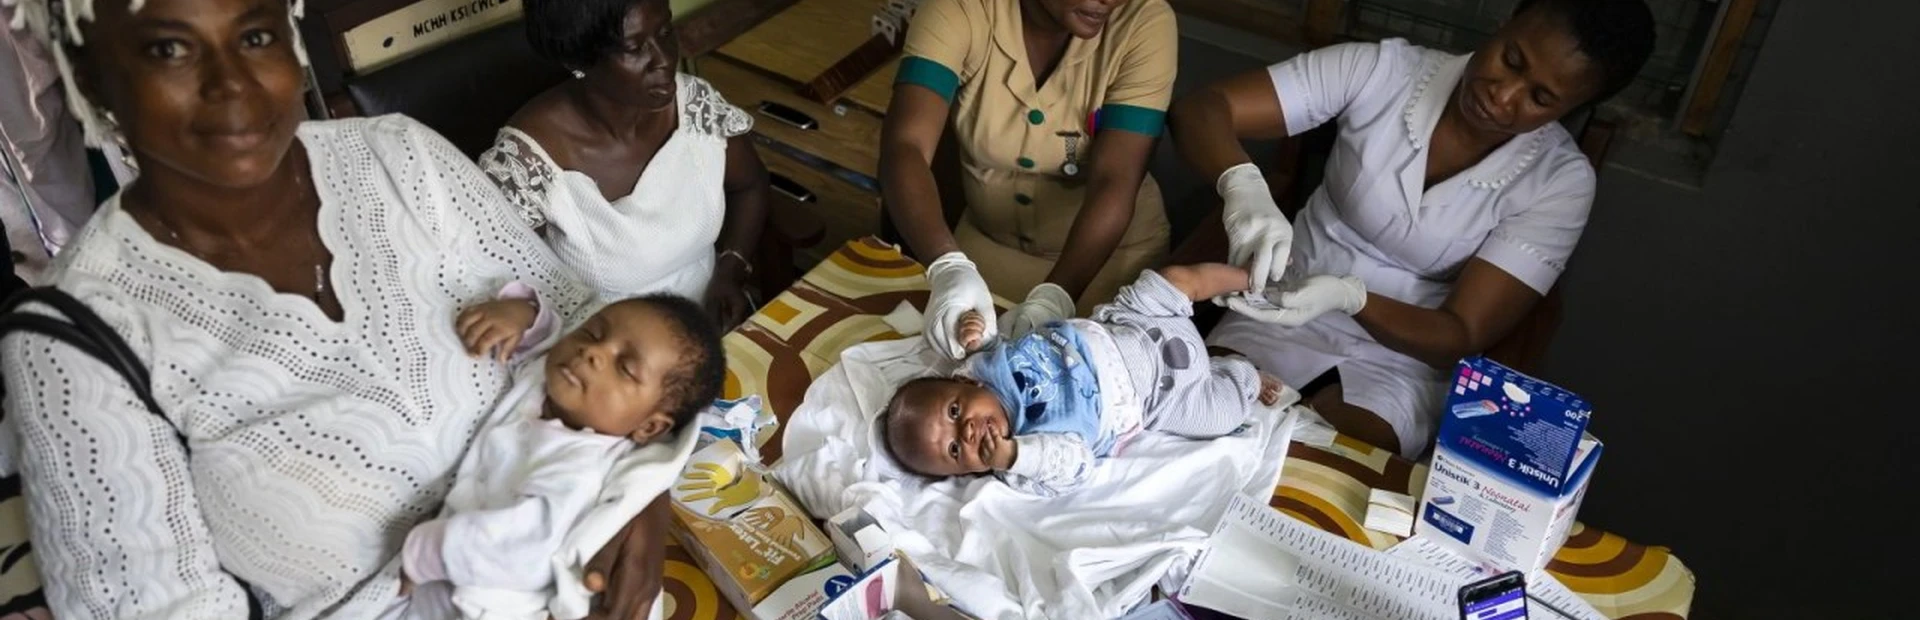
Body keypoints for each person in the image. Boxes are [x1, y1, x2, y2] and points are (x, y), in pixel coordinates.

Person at [0, 0, 676, 617]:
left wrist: (639, 492)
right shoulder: (73, 344)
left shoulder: (399, 158)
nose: (230, 83)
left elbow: (596, 321)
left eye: (256, 35)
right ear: (90, 80)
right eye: (168, 49)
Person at [1168, 0, 1655, 457]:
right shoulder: (1384, 72)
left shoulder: (1559, 181)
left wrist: (1350, 296)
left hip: (1403, 360)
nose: (1503, 97)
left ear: (1568, 110)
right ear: (1503, 25)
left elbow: (1460, 331)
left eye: (1541, 97)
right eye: (1511, 60)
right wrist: (1244, 188)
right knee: (1199, 428)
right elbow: (1204, 108)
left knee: (1327, 469)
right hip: (1277, 306)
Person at [880, 0, 1178, 359]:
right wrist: (948, 266)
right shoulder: (960, 8)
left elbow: (1114, 181)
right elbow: (906, 146)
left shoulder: (1143, 21)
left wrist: (1056, 297)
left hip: (1105, 261)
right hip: (985, 250)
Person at [402, 292, 723, 619]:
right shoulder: (554, 377)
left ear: (649, 427)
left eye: (625, 368)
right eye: (593, 332)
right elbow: (547, 333)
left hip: (476, 597)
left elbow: (525, 550)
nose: (594, 351)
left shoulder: (580, 466)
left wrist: (423, 549)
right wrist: (522, 315)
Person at [478, 0, 770, 330]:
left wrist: (730, 271)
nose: (664, 59)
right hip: (608, 354)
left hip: (712, 320)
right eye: (634, 48)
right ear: (578, 61)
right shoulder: (528, 163)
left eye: (665, 32)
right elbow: (502, 287)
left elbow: (750, 186)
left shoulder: (695, 108)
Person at [882, 263, 1284, 496]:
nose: (967, 432)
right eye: (955, 450)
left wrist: (975, 333)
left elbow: (991, 342)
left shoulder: (984, 370)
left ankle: (1257, 277)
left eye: (954, 411)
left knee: (1173, 277)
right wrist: (1013, 456)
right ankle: (1241, 374)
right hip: (1166, 394)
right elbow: (1075, 466)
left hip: (1129, 322)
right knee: (1220, 415)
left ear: (965, 386)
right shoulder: (1024, 459)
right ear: (969, 473)